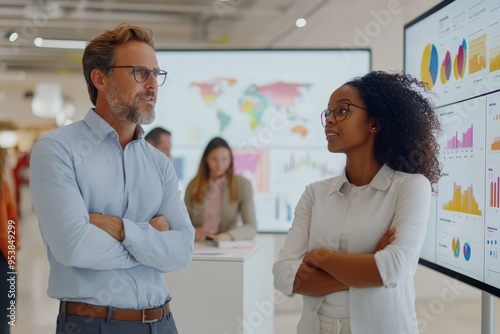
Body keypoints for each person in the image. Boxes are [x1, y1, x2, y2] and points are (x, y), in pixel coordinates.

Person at [30, 24, 194, 334]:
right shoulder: (58, 150)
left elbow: (182, 251)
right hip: (94, 324)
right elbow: (74, 247)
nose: (152, 86)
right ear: (100, 78)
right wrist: (150, 238)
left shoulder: (158, 163)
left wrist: (116, 227)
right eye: (139, 73)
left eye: (156, 74)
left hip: (163, 323)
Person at [273, 71, 441, 334]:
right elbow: (284, 276)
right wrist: (368, 264)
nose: (329, 119)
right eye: (327, 113)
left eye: (342, 111)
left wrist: (319, 256)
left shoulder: (410, 187)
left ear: (374, 123)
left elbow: (395, 268)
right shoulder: (315, 194)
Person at [184, 137, 257, 242]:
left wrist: (229, 236)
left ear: (231, 159)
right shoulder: (193, 185)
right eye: (214, 159)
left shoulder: (242, 185)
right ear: (206, 159)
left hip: (226, 245)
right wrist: (194, 231)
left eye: (224, 159)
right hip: (198, 244)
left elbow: (251, 226)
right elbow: (182, 223)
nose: (219, 165)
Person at [0, 148, 19, 334]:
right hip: (4, 254)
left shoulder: (4, 186)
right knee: (5, 312)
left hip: (5, 253)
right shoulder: (4, 186)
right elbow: (12, 222)